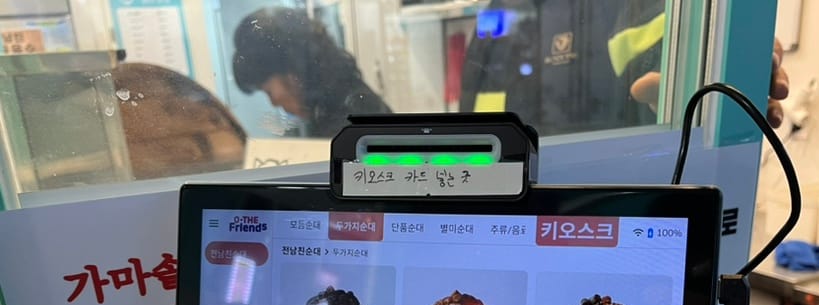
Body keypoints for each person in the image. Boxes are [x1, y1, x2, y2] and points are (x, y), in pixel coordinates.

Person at [459, 1, 788, 135]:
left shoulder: (636, 6)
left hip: (618, 220)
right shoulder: (498, 13)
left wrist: (719, 57)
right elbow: (475, 128)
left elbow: (666, 49)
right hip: (517, 225)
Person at [232, 7, 392, 139]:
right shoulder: (333, 108)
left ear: (293, 74)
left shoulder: (350, 120)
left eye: (269, 91)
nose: (273, 102)